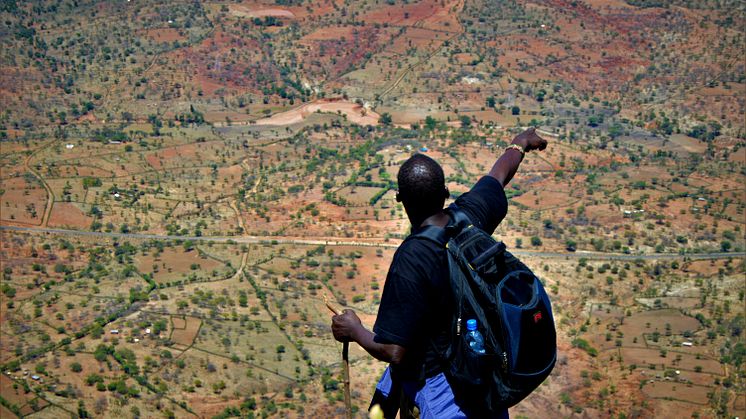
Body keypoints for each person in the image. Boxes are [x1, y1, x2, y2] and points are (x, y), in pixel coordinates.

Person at [331, 127, 548, 418]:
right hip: (483, 376)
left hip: (444, 391)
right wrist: (519, 144)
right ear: (445, 192)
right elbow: (498, 177)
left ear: (400, 199)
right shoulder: (469, 217)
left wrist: (354, 330)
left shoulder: (412, 258)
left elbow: (394, 351)